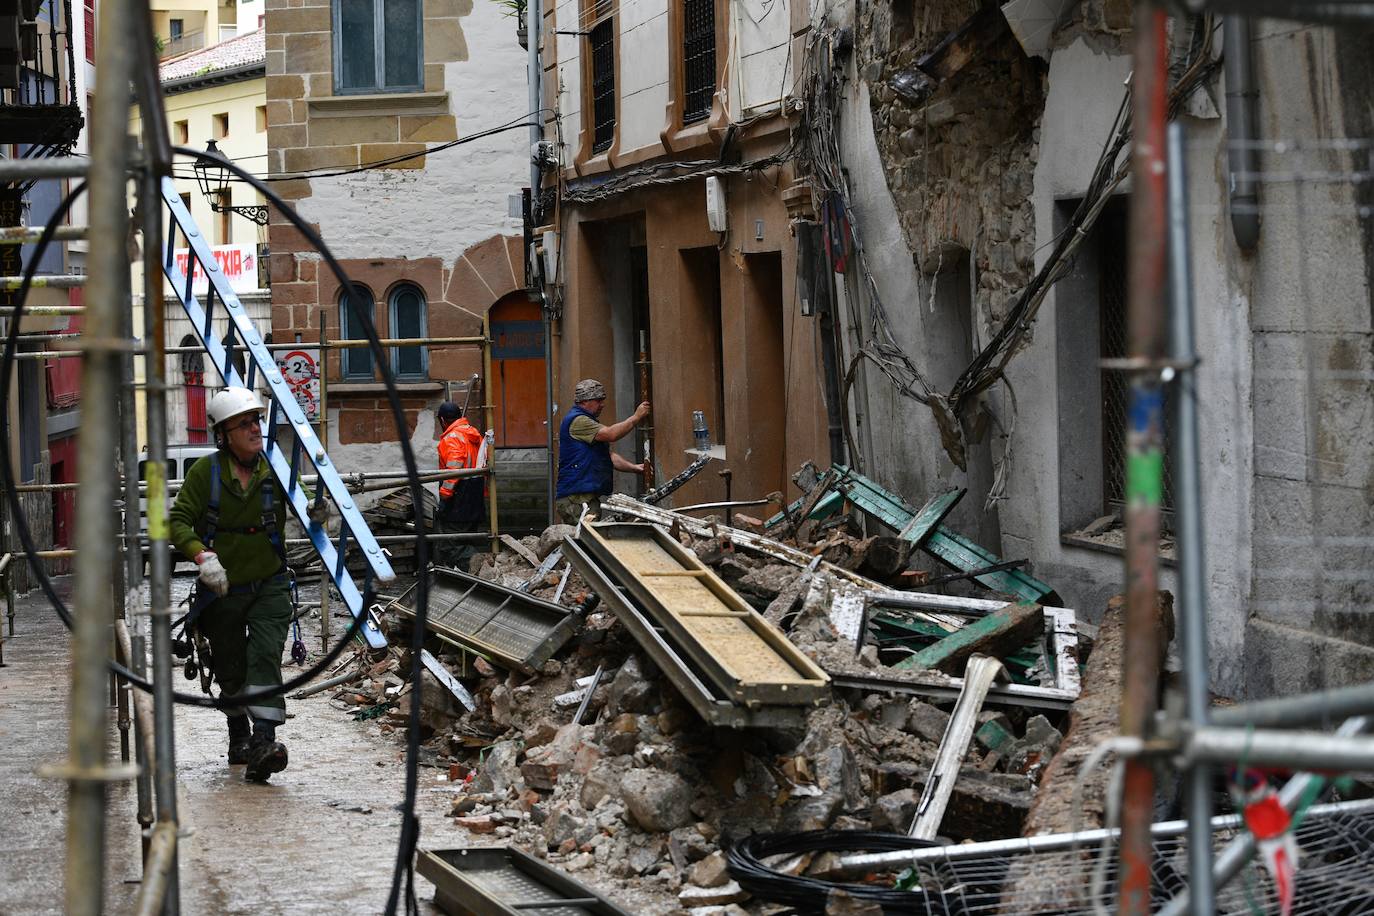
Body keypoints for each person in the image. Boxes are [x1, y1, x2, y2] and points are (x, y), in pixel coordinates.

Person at [170, 387, 322, 782]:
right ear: (224, 433)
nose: (256, 428)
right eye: (246, 423)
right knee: (231, 665)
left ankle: (263, 741)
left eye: (257, 420)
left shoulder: (274, 468)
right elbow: (178, 522)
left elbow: (306, 505)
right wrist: (203, 557)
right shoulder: (206, 473)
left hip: (269, 582)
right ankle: (238, 733)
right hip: (222, 591)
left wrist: (316, 509)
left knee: (266, 655)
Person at [555, 378, 650, 524]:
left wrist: (635, 468)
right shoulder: (578, 421)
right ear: (585, 401)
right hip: (576, 499)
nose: (602, 405)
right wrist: (636, 417)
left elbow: (609, 457)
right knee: (586, 541)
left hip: (583, 498)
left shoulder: (586, 422)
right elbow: (611, 434)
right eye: (598, 400)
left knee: (587, 539)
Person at [434, 400, 487, 571]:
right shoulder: (473, 434)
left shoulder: (452, 438)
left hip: (459, 496)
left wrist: (444, 496)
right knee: (466, 537)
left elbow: (454, 467)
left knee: (451, 543)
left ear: (442, 420)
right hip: (474, 492)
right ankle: (465, 572)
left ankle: (478, 566)